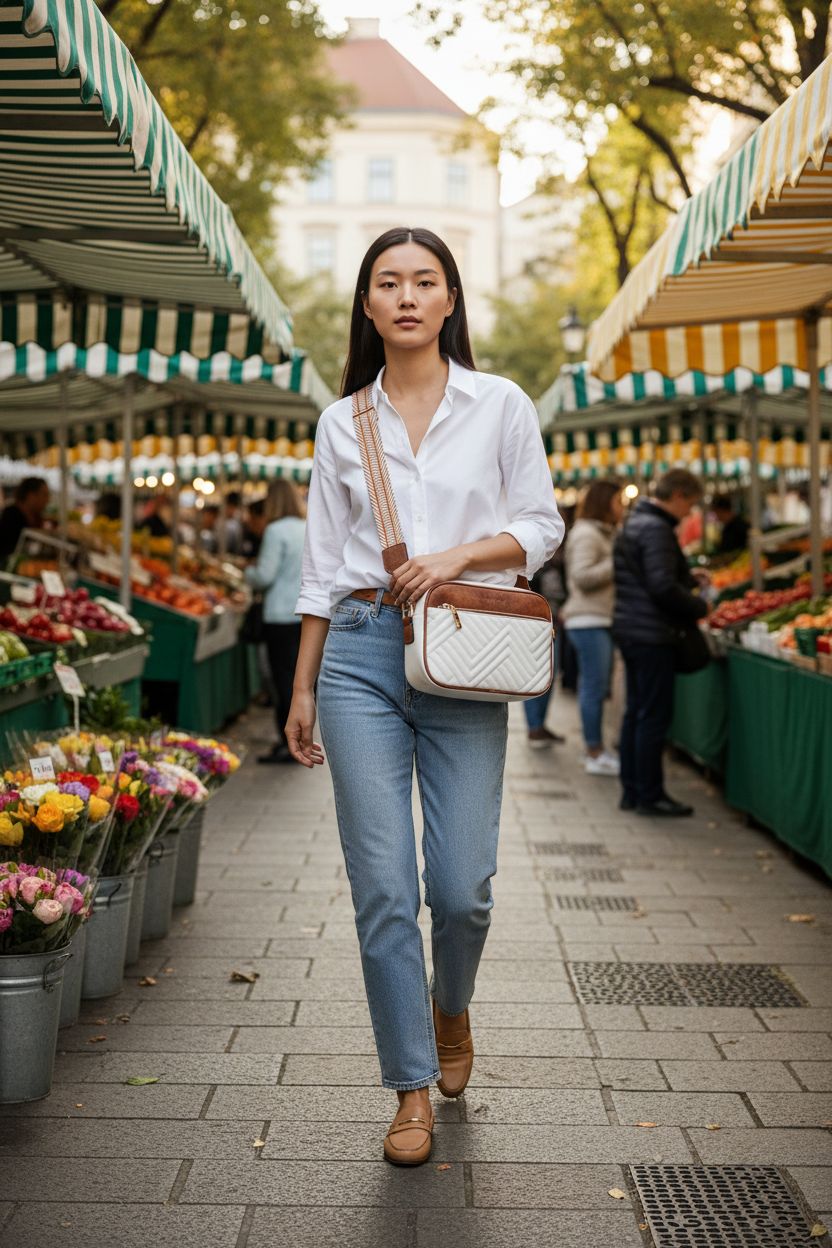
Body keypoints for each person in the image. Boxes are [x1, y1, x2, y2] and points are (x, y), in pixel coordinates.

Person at [285, 227, 563, 1166]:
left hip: (463, 651)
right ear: (366, 305)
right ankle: (408, 1086)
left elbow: (541, 525)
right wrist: (302, 687)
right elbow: (323, 567)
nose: (407, 296)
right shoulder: (339, 422)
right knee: (382, 886)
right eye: (387, 282)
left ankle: (452, 1009)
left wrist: (456, 556)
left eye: (426, 281)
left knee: (463, 889)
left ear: (450, 301)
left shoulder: (501, 405)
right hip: (360, 655)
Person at [613, 469, 709, 817]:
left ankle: (632, 790)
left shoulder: (635, 521)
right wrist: (699, 605)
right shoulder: (656, 529)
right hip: (652, 634)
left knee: (636, 713)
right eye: (692, 504)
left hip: (631, 627)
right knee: (652, 716)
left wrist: (685, 576)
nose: (691, 513)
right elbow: (661, 586)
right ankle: (650, 794)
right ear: (679, 495)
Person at [563, 479, 624, 775]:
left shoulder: (602, 532)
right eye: (618, 502)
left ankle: (595, 748)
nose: (622, 508)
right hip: (588, 619)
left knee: (595, 686)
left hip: (598, 619)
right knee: (594, 687)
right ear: (604, 502)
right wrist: (618, 560)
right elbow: (582, 577)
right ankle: (594, 751)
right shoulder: (587, 534)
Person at [245, 481, 306, 764]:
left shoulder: (274, 530)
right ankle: (300, 738)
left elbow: (265, 575)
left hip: (279, 614)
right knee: (300, 678)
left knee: (282, 681)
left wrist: (249, 574)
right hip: (305, 612)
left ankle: (287, 741)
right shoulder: (308, 527)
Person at [523, 555, 566, 747]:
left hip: (547, 623)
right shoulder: (543, 565)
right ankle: (535, 728)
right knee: (537, 676)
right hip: (538, 623)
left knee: (547, 676)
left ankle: (539, 726)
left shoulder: (551, 565)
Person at [0, 476, 49, 563]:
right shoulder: (11, 514)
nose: (47, 500)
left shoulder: (37, 517)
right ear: (31, 495)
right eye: (44, 495)